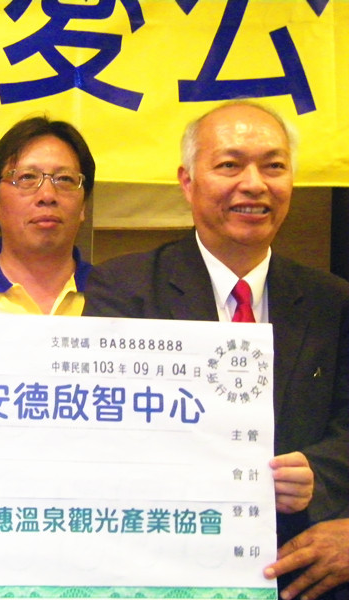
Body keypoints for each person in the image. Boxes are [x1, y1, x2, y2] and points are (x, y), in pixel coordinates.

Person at [83, 101, 349, 598]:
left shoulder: (332, 300)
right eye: (230, 165)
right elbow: (103, 432)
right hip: (166, 568)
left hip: (300, 573)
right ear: (187, 182)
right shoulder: (125, 289)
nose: (254, 184)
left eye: (274, 166)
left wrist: (319, 476)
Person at [0, 116, 95, 315]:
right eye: (27, 177)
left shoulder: (114, 298)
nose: (47, 195)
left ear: (83, 206)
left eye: (64, 179)